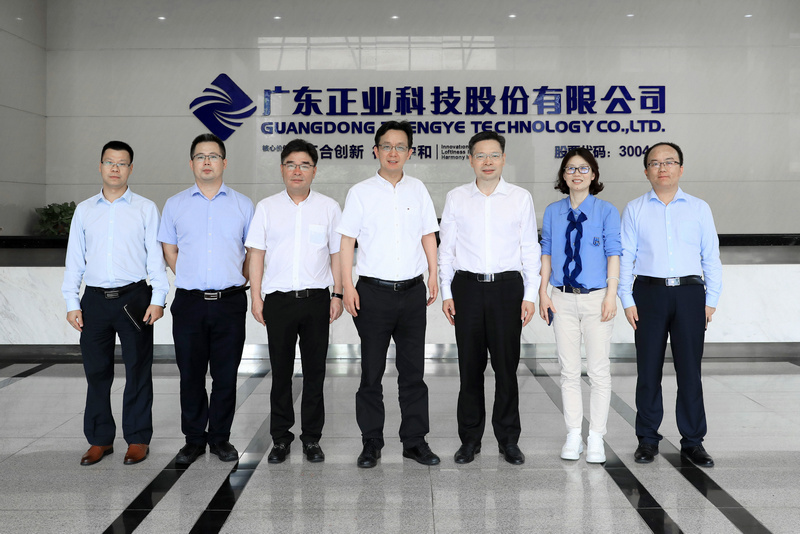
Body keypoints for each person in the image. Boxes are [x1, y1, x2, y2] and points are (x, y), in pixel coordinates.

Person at [337, 120, 441, 468]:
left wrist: (434, 274)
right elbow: (347, 241)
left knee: (413, 373)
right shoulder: (360, 192)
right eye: (386, 146)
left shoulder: (418, 189)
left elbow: (428, 234)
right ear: (376, 151)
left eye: (400, 147)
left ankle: (415, 441)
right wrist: (347, 286)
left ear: (410, 152)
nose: (393, 152)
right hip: (372, 293)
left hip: (412, 292)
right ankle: (371, 441)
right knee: (371, 373)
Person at [62, 140, 169, 466]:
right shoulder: (85, 210)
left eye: (122, 163)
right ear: (100, 166)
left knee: (138, 370)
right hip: (94, 301)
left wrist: (158, 298)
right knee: (97, 372)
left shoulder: (145, 208)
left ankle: (137, 438)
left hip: (134, 299)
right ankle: (100, 440)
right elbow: (74, 260)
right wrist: (71, 301)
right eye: (110, 162)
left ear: (130, 169)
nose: (115, 168)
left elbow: (156, 259)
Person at [439, 130, 541, 465]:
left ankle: (508, 440)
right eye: (480, 155)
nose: (487, 161)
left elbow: (530, 248)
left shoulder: (520, 198)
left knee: (506, 368)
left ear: (504, 159)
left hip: (507, 289)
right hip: (466, 288)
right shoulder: (456, 197)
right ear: (470, 159)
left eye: (494, 155)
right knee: (469, 368)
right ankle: (469, 440)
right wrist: (446, 292)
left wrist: (529, 295)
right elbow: (446, 250)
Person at [618, 142, 722, 467]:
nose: (662, 168)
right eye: (655, 163)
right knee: (648, 371)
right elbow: (625, 257)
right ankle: (647, 439)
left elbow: (711, 256)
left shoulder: (699, 208)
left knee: (690, 371)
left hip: (690, 295)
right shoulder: (634, 209)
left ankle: (693, 441)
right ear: (646, 171)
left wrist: (711, 299)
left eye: (669, 162)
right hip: (648, 294)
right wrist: (626, 298)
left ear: (681, 168)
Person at [245, 139, 343, 464]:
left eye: (304, 165)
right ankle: (280, 438)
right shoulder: (266, 208)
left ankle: (312, 439)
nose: (297, 171)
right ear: (282, 169)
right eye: (291, 164)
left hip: (316, 300)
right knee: (281, 372)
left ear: (314, 170)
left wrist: (338, 294)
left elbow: (336, 255)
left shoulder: (329, 207)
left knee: (315, 373)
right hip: (278, 301)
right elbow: (256, 255)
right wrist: (256, 297)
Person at [158, 133, 255, 465]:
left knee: (226, 375)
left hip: (230, 302)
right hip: (190, 302)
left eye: (213, 156)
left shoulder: (243, 205)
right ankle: (194, 439)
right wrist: (190, 275)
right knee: (191, 375)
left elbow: (252, 253)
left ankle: (220, 438)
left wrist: (237, 279)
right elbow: (169, 250)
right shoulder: (175, 205)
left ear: (224, 163)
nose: (207, 162)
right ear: (191, 164)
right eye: (200, 156)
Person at [538, 148, 620, 464]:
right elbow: (546, 252)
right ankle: (574, 434)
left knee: (598, 370)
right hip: (561, 297)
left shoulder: (606, 210)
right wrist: (543, 292)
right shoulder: (553, 211)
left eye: (583, 168)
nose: (577, 174)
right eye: (570, 169)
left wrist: (611, 294)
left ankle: (596, 436)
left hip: (597, 298)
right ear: (563, 175)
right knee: (569, 371)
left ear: (593, 174)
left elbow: (614, 253)